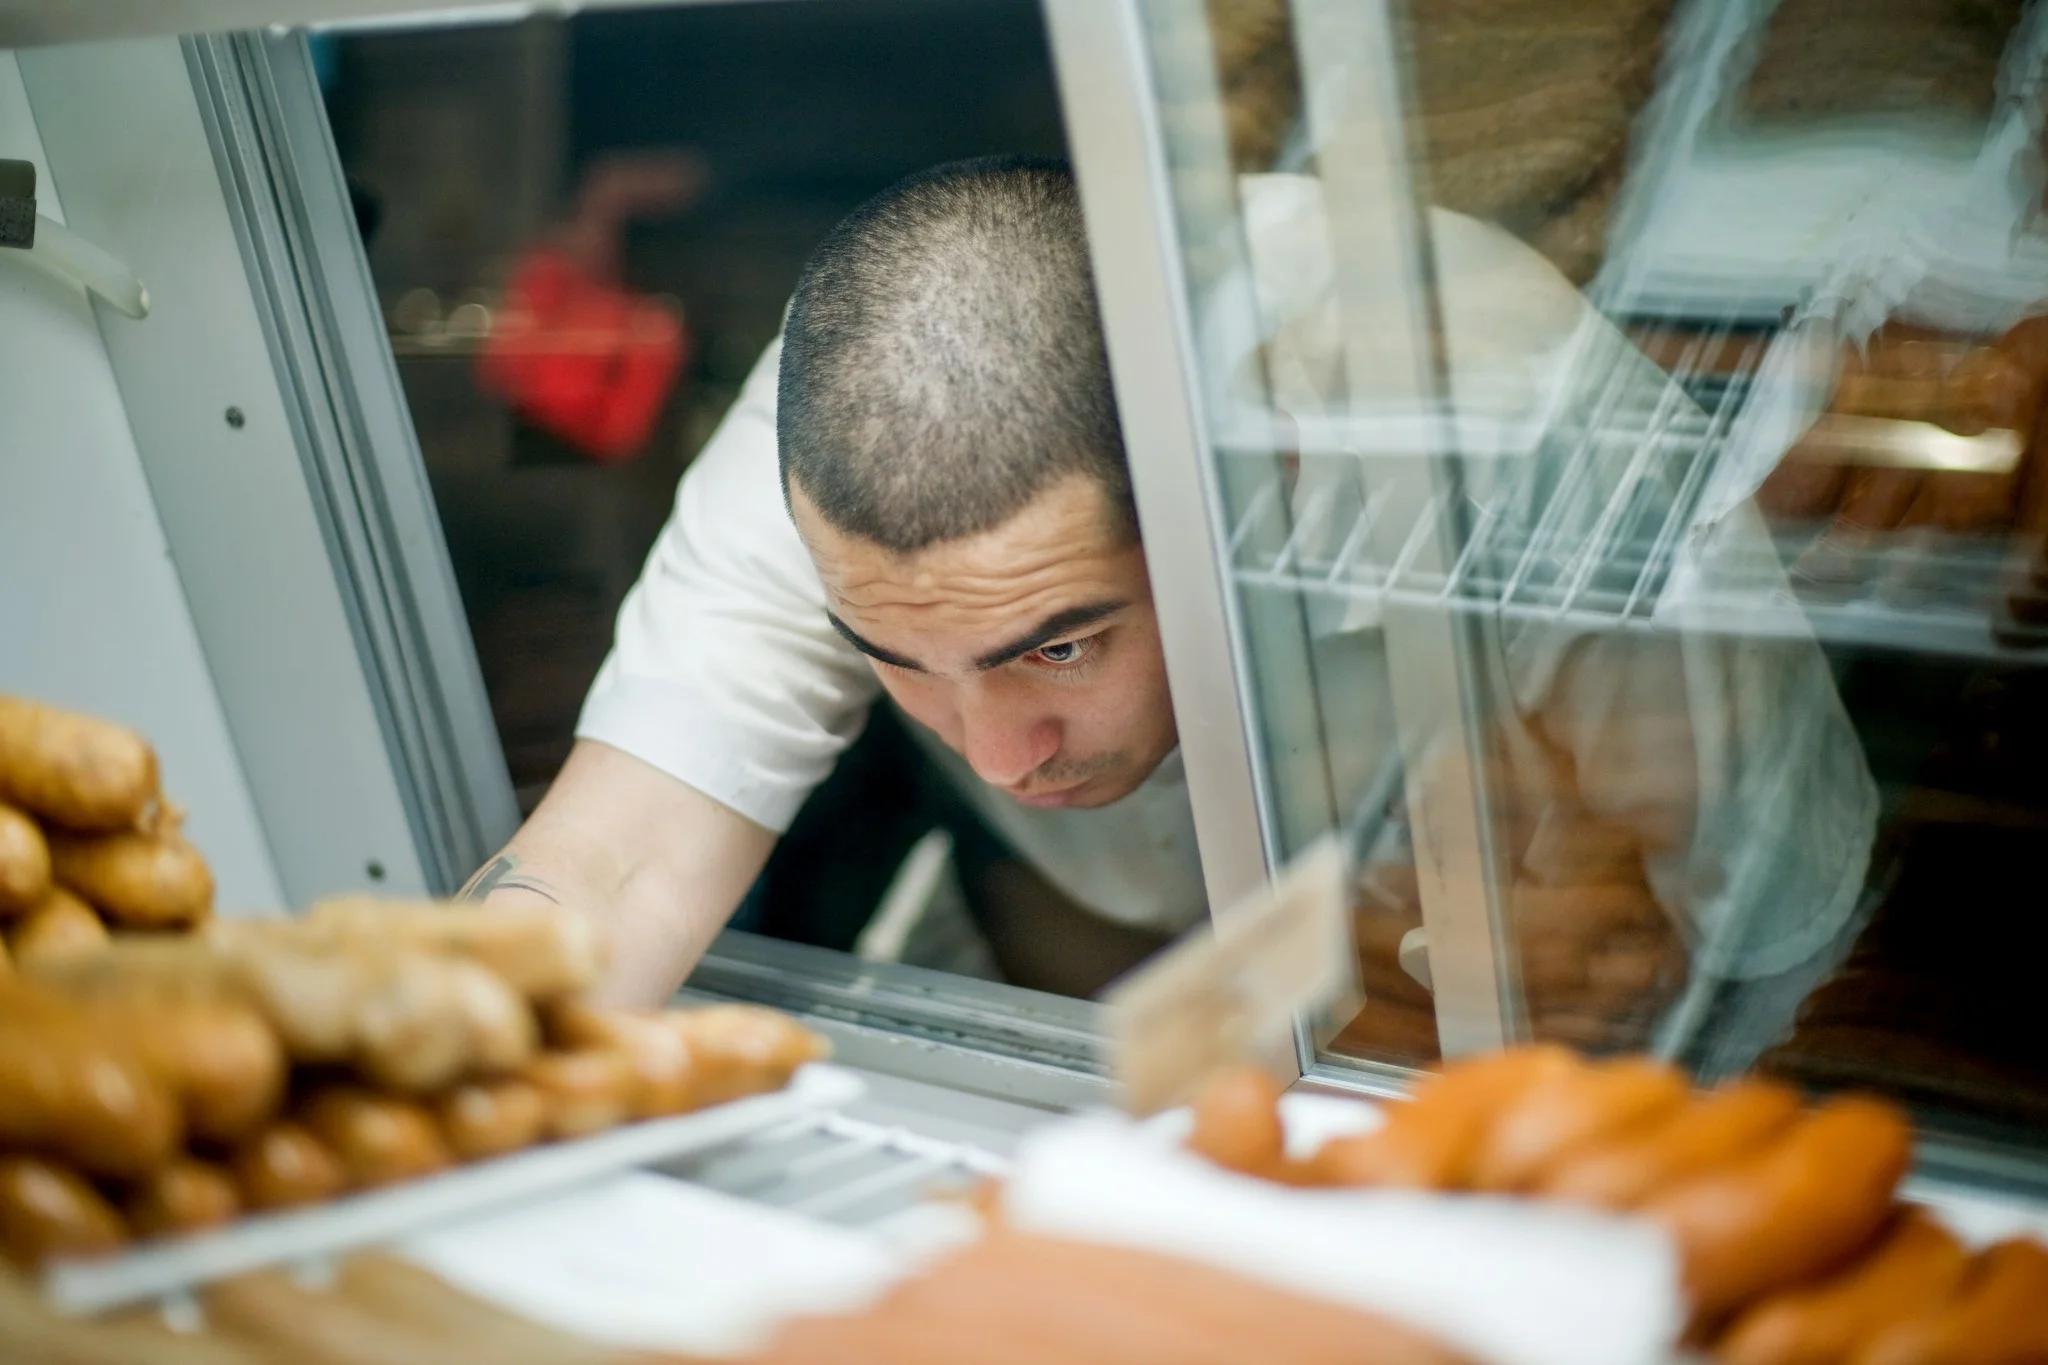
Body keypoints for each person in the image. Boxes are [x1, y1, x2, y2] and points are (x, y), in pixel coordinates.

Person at [462, 155, 1877, 1045]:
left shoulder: (1513, 420)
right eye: (898, 662)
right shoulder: (832, 443)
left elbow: (1776, 923)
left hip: (1492, 1021)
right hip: (1087, 968)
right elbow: (610, 867)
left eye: (1057, 644)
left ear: (1257, 480)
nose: (996, 750)